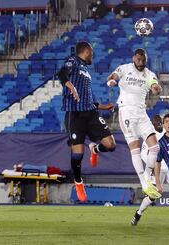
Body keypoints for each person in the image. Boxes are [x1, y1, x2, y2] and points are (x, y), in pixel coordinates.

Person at [57, 41, 116, 203]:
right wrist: (71, 87)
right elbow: (62, 74)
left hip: (91, 114)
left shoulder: (85, 70)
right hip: (75, 115)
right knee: (78, 154)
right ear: (87, 51)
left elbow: (89, 99)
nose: (93, 55)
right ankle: (78, 182)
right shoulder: (73, 61)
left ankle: (95, 148)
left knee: (111, 145)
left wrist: (104, 106)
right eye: (92, 52)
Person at [107, 48, 162, 199]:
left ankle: (147, 176)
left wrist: (156, 88)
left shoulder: (149, 74)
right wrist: (112, 80)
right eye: (138, 59)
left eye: (143, 60)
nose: (141, 62)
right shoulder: (125, 68)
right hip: (126, 111)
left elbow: (154, 85)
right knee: (135, 148)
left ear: (146, 59)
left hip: (141, 112)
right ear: (134, 58)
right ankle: (144, 183)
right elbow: (114, 75)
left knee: (155, 147)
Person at [131, 115, 169, 228]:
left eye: (160, 122)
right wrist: (152, 165)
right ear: (152, 124)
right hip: (157, 169)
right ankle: (138, 213)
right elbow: (144, 154)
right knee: (154, 196)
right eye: (156, 122)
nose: (158, 123)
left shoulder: (167, 133)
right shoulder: (149, 137)